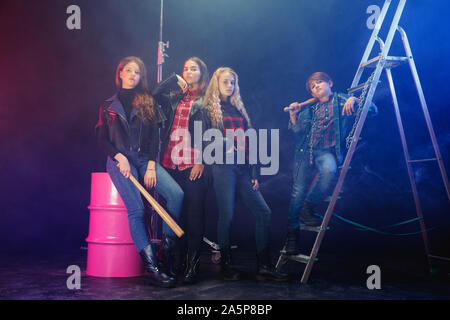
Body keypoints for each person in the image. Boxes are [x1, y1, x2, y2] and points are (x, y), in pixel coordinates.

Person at [95, 56, 184, 287]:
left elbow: (155, 135)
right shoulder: (107, 106)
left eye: (137, 72)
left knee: (176, 195)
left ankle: (165, 254)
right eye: (129, 71)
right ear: (121, 73)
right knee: (136, 209)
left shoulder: (147, 101)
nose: (133, 75)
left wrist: (152, 164)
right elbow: (102, 139)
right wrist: (118, 156)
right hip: (120, 161)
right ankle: (153, 268)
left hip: (145, 159)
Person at [203, 67, 289, 282]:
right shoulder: (208, 110)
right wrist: (225, 143)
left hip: (243, 167)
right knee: (228, 215)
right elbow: (203, 140)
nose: (229, 86)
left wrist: (253, 172)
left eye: (232, 82)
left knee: (264, 212)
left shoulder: (238, 109)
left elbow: (248, 142)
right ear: (217, 83)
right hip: (222, 166)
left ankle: (264, 267)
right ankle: (226, 265)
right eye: (225, 82)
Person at [284, 72, 377, 255]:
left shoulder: (343, 100)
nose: (316, 86)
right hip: (305, 153)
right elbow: (299, 134)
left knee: (329, 170)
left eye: (319, 82)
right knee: (297, 194)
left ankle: (308, 207)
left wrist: (355, 101)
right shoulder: (308, 109)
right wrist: (294, 117)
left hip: (326, 152)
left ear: (330, 82)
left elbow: (373, 111)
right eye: (312, 86)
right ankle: (292, 240)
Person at [152, 57, 210, 284]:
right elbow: (154, 94)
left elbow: (213, 131)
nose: (188, 71)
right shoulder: (173, 97)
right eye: (185, 68)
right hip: (169, 162)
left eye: (193, 68)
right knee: (176, 217)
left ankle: (192, 267)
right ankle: (176, 263)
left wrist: (202, 160)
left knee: (195, 217)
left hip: (194, 163)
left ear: (201, 73)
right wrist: (171, 79)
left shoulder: (207, 99)